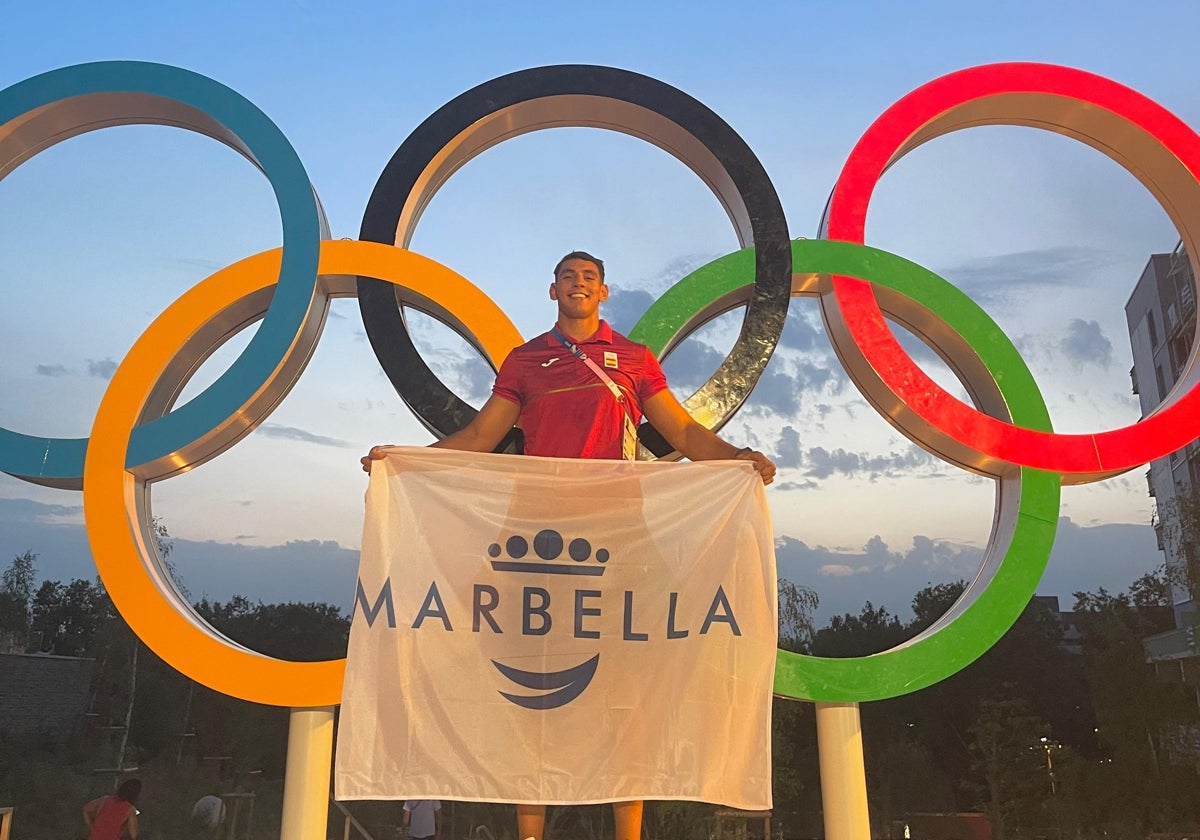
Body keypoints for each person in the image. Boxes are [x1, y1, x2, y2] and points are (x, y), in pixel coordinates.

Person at [363, 250, 776, 840]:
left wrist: (738, 459)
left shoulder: (633, 359)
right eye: (567, 277)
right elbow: (483, 435)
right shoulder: (526, 359)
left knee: (625, 693)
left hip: (618, 535)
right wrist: (404, 463)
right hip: (538, 538)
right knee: (537, 696)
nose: (578, 284)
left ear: (603, 292)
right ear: (552, 290)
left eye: (588, 278)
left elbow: (680, 431)